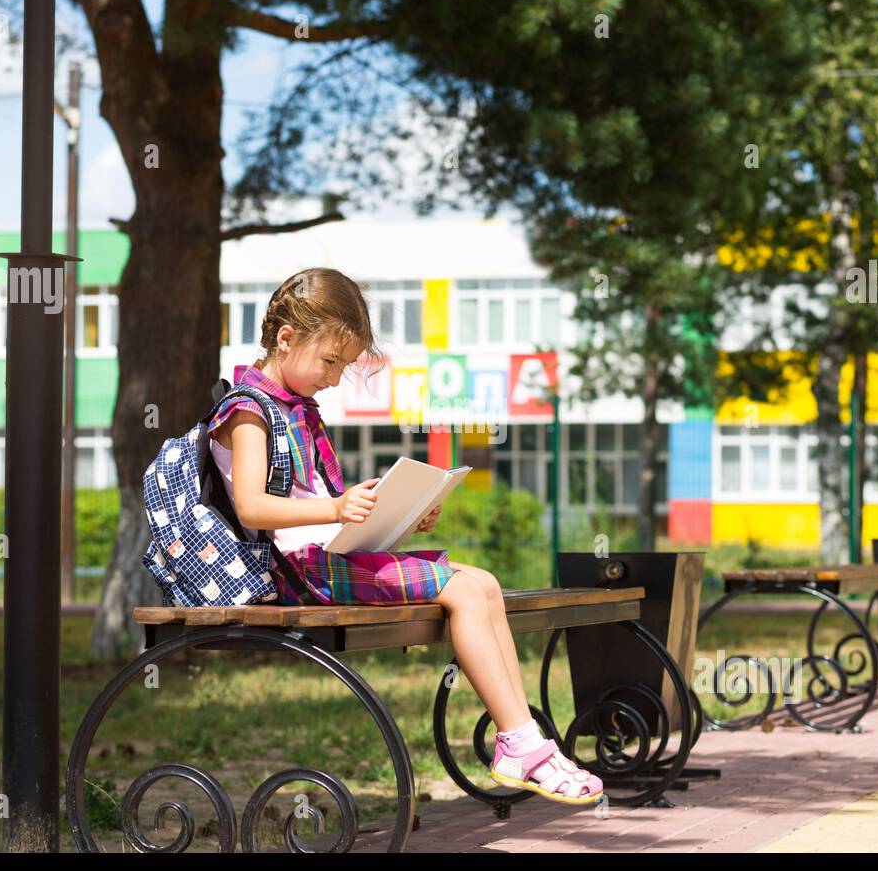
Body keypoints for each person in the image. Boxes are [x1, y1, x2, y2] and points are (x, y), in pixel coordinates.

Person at [207, 267, 603, 805]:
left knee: (483, 584)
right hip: (301, 571)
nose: (334, 377)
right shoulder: (248, 411)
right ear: (285, 338)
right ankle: (518, 743)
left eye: (343, 367)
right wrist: (339, 505)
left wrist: (398, 514)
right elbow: (253, 507)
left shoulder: (296, 410)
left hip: (325, 557)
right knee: (463, 590)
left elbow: (324, 512)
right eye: (330, 362)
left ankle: (529, 738)